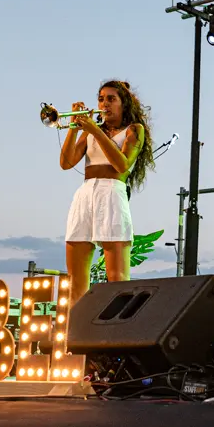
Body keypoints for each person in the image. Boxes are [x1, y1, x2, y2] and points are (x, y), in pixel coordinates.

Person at [59, 80, 154, 302]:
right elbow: (66, 163)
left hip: (112, 192)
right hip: (85, 194)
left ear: (124, 103)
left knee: (117, 279)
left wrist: (94, 130)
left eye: (111, 99)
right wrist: (73, 129)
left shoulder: (134, 130)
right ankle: (76, 324)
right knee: (75, 281)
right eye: (101, 99)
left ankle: (119, 324)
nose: (104, 104)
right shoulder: (91, 132)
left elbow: (122, 164)